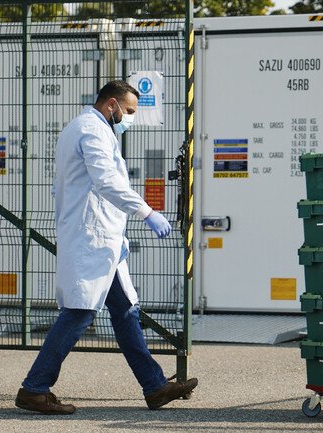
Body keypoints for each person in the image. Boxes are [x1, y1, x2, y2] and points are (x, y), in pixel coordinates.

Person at [15, 80, 197, 415]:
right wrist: (146, 211)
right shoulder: (92, 131)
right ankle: (34, 389)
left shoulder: (83, 127)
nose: (129, 119)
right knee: (80, 312)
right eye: (128, 112)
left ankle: (154, 387)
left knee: (125, 312)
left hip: (102, 239)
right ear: (111, 105)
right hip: (92, 238)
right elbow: (107, 181)